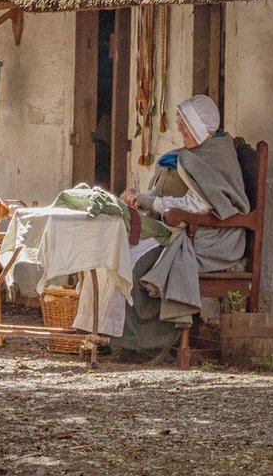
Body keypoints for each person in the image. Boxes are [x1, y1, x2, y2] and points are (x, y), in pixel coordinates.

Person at [112, 94, 250, 355]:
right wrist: (141, 198)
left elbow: (200, 205)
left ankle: (148, 342)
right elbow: (175, 195)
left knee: (142, 264)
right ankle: (121, 337)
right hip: (188, 230)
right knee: (123, 252)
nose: (180, 131)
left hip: (213, 239)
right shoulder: (195, 153)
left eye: (185, 125)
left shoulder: (214, 156)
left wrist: (153, 204)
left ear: (199, 126)